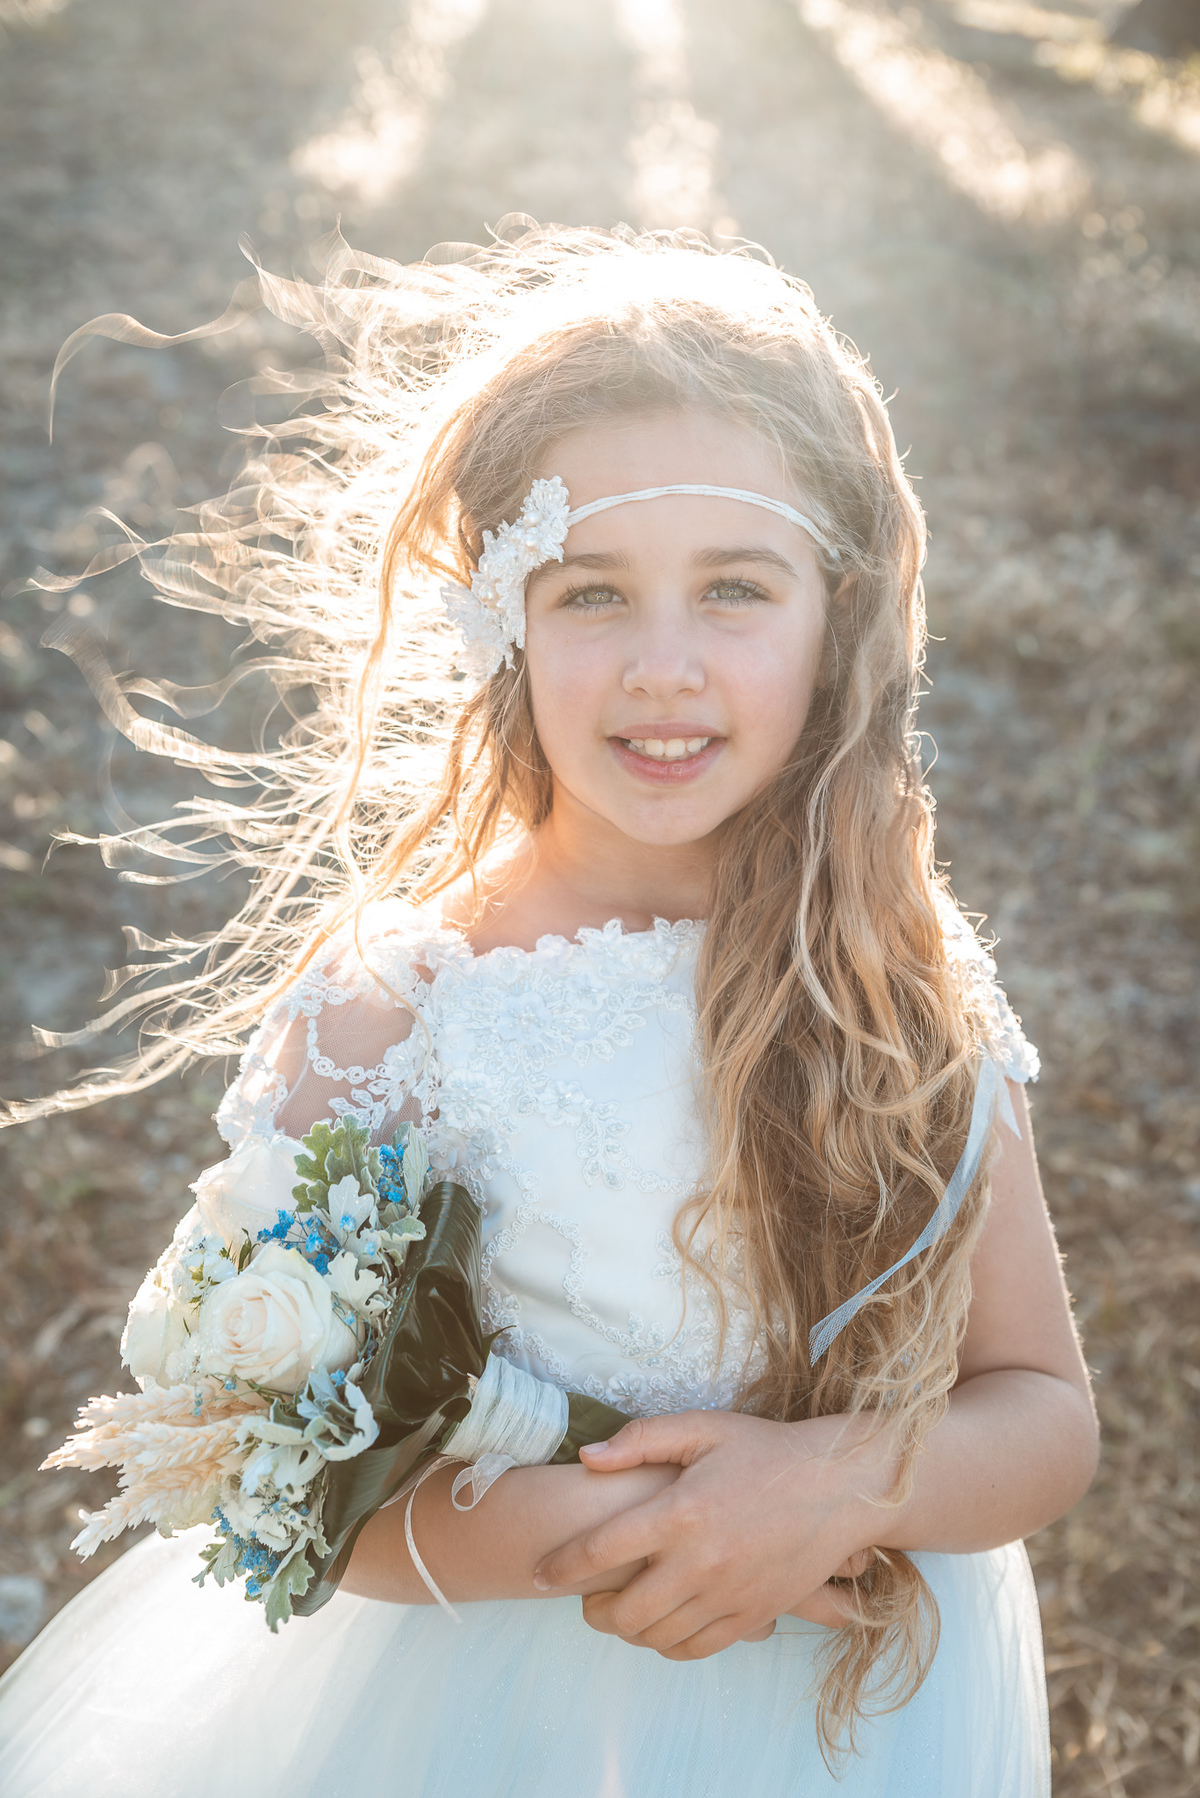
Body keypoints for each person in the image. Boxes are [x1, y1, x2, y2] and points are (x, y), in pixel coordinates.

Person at [0, 223, 1097, 1796]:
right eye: (593, 592)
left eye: (735, 589)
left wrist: (833, 1485)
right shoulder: (402, 1009)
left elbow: (1044, 1410)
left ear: (835, 616)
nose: (665, 666)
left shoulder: (895, 976)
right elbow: (267, 1470)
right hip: (472, 1709)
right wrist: (654, 1539)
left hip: (844, 1724)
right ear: (505, 620)